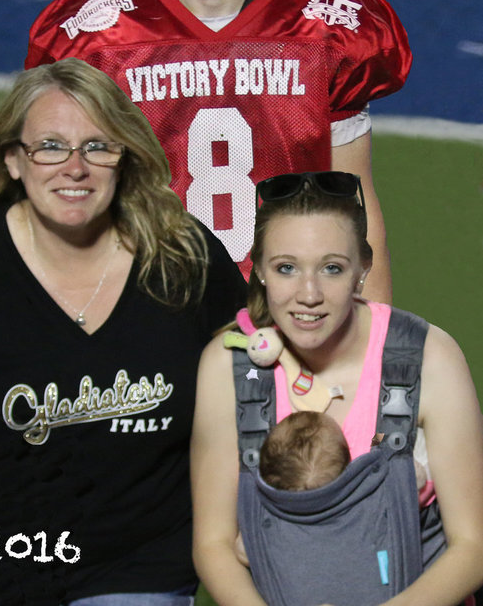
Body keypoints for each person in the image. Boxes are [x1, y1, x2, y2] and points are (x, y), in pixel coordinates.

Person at [25, 0, 413, 299]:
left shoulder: (323, 23)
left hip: (289, 305)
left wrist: (373, 338)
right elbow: (63, 203)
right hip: (147, 301)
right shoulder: (102, 34)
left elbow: (356, 204)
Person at [0, 58, 247, 606]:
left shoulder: (184, 257)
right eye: (51, 146)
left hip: (139, 566)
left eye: (97, 146)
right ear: (14, 159)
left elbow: (261, 383)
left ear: (124, 157)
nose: (75, 167)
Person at [191, 171, 483, 606]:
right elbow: (214, 544)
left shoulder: (428, 357)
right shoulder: (228, 366)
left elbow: (473, 547)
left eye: (331, 268)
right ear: (260, 270)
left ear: (363, 269)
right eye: (286, 268)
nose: (309, 294)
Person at [234, 410, 350, 568]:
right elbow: (376, 443)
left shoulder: (270, 523)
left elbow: (242, 551)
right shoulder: (352, 511)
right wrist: (381, 435)